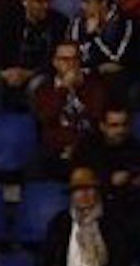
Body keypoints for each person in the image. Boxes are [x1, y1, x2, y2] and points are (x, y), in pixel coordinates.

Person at [39, 165, 138, 266]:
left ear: (97, 192)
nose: (84, 195)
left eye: (89, 189)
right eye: (79, 190)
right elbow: (48, 258)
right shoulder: (60, 223)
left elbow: (121, 258)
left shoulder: (112, 222)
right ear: (72, 195)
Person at [0, 0, 63, 115]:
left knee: (38, 85)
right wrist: (3, 72)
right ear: (25, 1)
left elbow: (56, 60)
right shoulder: (7, 19)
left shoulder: (59, 23)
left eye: (48, 0)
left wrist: (29, 73)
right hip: (7, 75)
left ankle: (35, 131)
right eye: (39, 2)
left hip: (38, 75)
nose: (46, 6)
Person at [31, 42, 106, 175]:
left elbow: (97, 118)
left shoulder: (94, 86)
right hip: (56, 149)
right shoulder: (44, 90)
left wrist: (81, 88)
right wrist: (63, 89)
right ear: (55, 62)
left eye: (75, 58)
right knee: (36, 162)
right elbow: (46, 119)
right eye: (65, 59)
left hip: (87, 147)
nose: (71, 63)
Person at [66, 0, 133, 77]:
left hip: (114, 79)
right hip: (82, 75)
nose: (82, 6)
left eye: (87, 2)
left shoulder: (124, 23)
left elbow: (116, 59)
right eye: (82, 1)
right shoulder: (77, 22)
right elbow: (70, 53)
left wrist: (94, 36)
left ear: (103, 2)